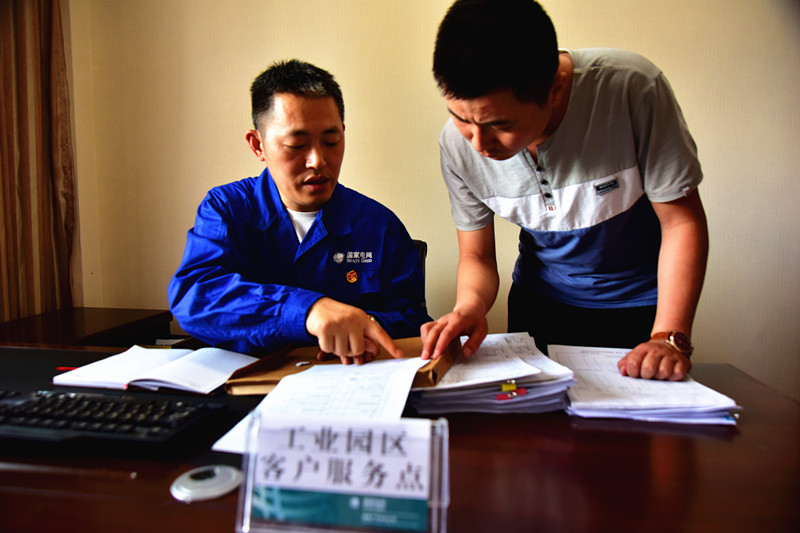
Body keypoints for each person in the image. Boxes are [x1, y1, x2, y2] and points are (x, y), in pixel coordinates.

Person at [420, 0, 708, 381]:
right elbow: (476, 255)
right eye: (460, 117)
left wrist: (669, 337)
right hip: (539, 304)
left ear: (555, 89)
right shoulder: (456, 145)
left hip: (642, 305)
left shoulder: (633, 90)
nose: (478, 143)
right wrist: (469, 306)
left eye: (500, 125)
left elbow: (681, 222)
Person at [169, 59, 430, 364]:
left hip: (347, 380)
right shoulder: (227, 210)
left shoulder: (378, 225)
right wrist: (306, 311)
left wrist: (362, 324)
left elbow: (412, 319)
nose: (317, 161)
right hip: (249, 381)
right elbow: (194, 297)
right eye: (296, 145)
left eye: (331, 141)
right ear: (258, 145)